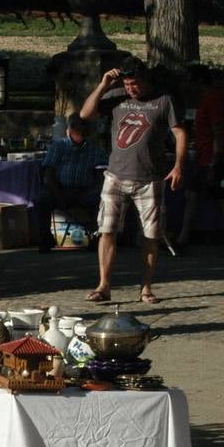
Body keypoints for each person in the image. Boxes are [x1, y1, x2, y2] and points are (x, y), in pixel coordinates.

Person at [78, 62, 186, 304]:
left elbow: (179, 132)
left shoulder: (163, 100)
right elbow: (85, 115)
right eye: (127, 85)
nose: (131, 89)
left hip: (150, 178)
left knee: (150, 234)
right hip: (116, 175)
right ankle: (103, 285)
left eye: (135, 84)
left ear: (145, 80)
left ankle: (146, 287)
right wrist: (104, 85)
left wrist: (178, 165)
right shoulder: (116, 97)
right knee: (106, 230)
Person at [176, 66, 224, 255]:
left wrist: (214, 161)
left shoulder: (213, 100)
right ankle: (182, 239)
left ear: (198, 82)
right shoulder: (209, 100)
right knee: (192, 195)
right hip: (204, 158)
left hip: (212, 160)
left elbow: (218, 131)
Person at [35, 113, 107, 252]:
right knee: (41, 200)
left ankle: (95, 237)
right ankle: (45, 238)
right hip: (59, 188)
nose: (77, 131)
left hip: (83, 191)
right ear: (68, 129)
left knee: (101, 201)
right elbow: (48, 174)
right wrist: (58, 193)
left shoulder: (95, 150)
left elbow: (102, 174)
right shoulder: (59, 146)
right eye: (73, 126)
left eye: (82, 127)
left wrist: (97, 190)